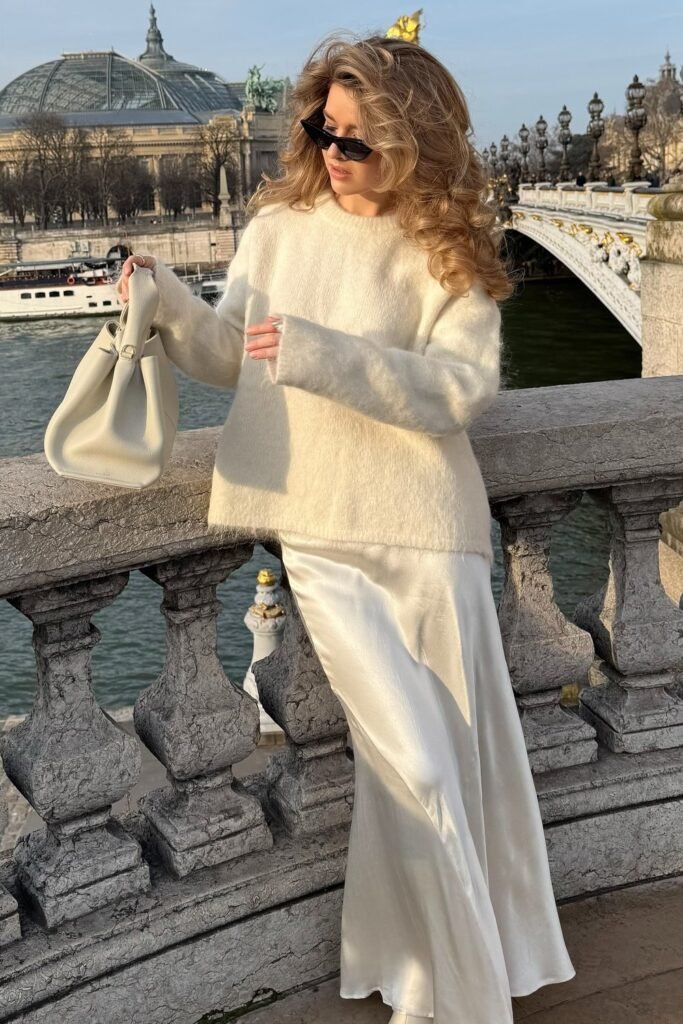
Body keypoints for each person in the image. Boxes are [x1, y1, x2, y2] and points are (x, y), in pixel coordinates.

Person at [117, 31, 576, 1024]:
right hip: (321, 533)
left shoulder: (444, 241)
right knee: (416, 762)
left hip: (430, 535)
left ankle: (410, 974)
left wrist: (323, 354)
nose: (332, 153)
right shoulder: (280, 228)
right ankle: (461, 1005)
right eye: (323, 131)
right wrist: (160, 302)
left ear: (410, 142)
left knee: (432, 765)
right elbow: (232, 351)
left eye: (357, 141)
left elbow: (457, 391)